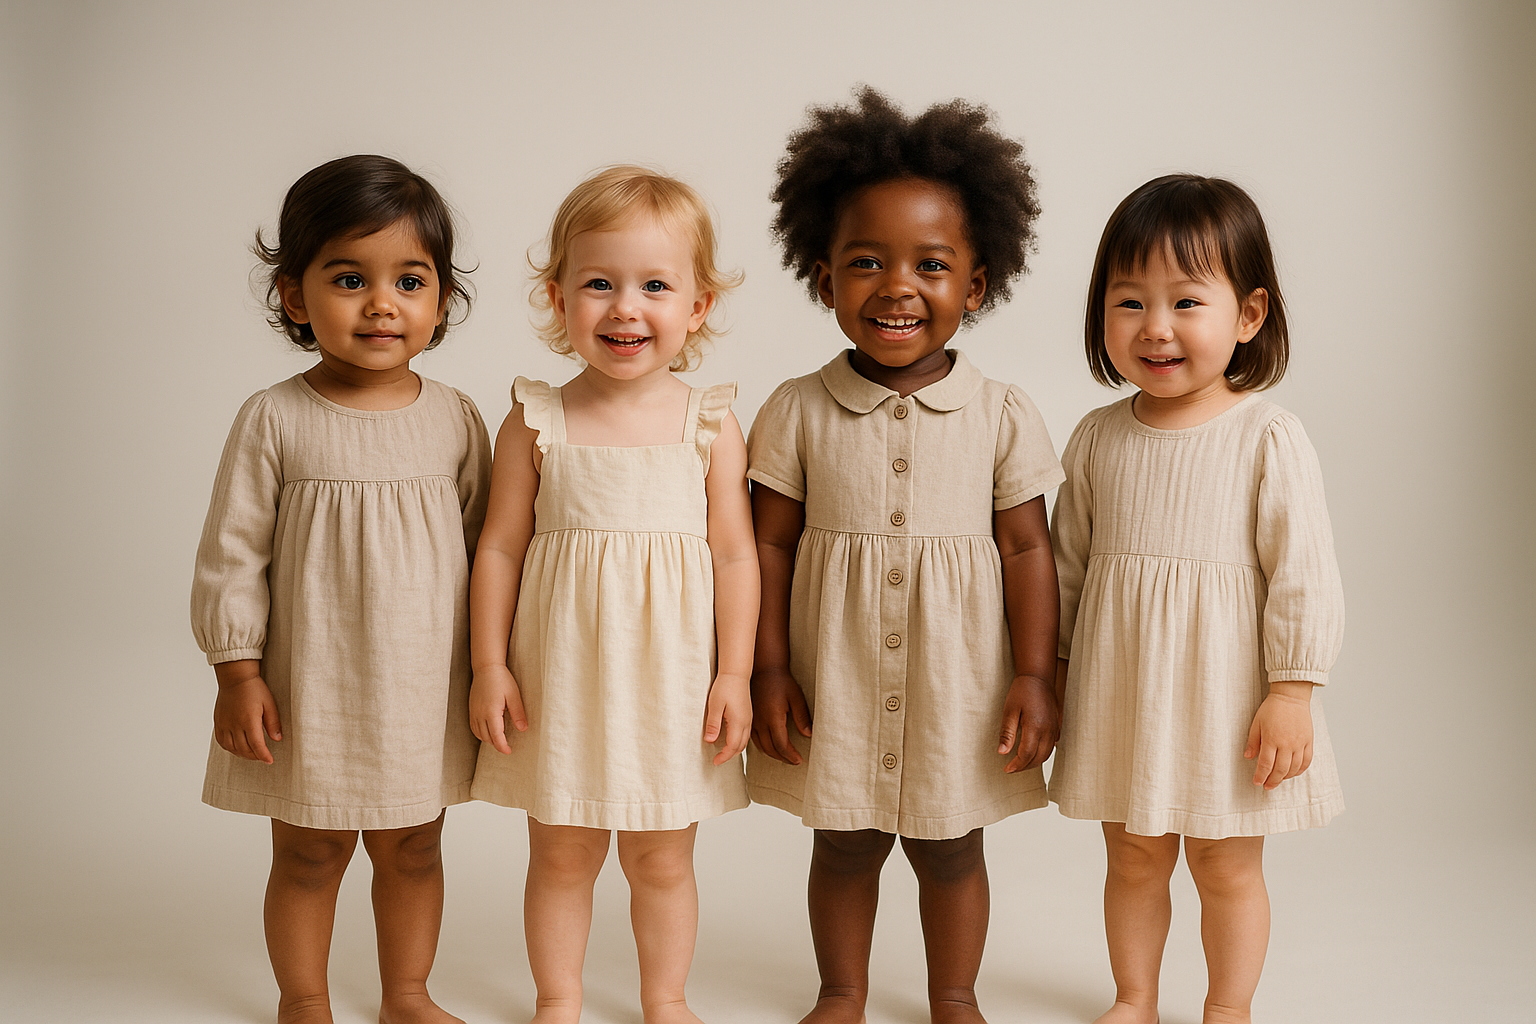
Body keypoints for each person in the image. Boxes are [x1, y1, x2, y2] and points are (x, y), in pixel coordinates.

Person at [747, 88, 1063, 1024]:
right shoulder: (796, 409)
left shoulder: (1002, 413)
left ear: (976, 285)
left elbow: (1028, 549)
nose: (897, 287)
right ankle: (841, 990)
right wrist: (768, 668)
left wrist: (1035, 675)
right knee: (843, 842)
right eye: (866, 262)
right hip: (835, 677)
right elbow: (765, 544)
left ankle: (953, 995)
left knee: (952, 847)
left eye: (931, 264)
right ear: (823, 278)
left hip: (958, 682)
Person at [191, 154, 489, 1024]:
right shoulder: (274, 418)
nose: (382, 304)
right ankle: (305, 998)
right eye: (350, 279)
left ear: (441, 300)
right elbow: (231, 555)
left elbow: (488, 552)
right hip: (310, 689)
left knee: (415, 848)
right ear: (295, 296)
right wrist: (237, 672)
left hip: (423, 689)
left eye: (410, 281)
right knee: (310, 853)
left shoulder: (456, 418)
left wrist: (493, 666)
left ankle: (407, 995)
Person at [1050, 173, 1346, 1024]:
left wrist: (1293, 690)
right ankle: (1135, 996)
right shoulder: (1098, 437)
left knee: (1225, 864)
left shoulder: (1266, 436)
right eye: (1130, 302)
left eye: (1186, 302)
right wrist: (1054, 671)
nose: (1156, 327)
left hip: (1227, 700)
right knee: (1132, 856)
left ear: (1248, 315)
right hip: (1124, 693)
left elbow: (1303, 572)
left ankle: (1228, 1007)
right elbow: (1067, 567)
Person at [467, 166, 757, 1024]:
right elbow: (499, 547)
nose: (625, 308)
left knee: (661, 860)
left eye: (654, 286)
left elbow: (735, 555)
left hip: (672, 684)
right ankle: (557, 998)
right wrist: (489, 665)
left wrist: (734, 674)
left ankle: (665, 998)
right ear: (559, 299)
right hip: (560, 680)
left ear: (698, 306)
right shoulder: (535, 420)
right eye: (599, 284)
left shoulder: (709, 423)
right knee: (561, 855)